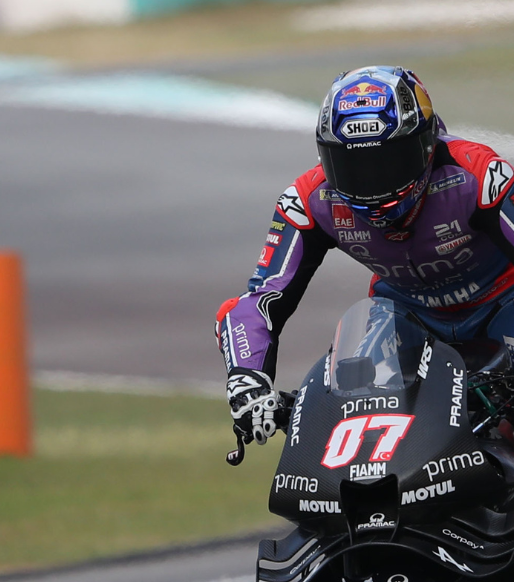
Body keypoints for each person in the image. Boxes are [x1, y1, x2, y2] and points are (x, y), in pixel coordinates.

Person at [217, 65, 514, 447]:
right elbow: (258, 301)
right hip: (406, 317)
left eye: (388, 162)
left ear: (426, 144)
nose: (373, 183)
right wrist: (247, 381)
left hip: (501, 304)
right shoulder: (308, 201)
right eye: (352, 167)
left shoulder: (479, 175)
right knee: (353, 401)